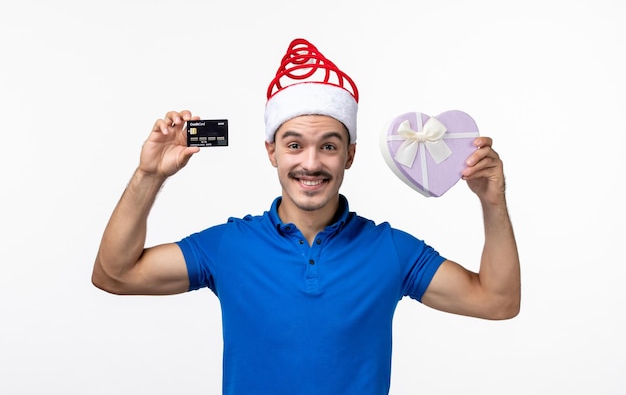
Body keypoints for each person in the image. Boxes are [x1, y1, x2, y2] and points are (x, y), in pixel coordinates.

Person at [92, 38, 520, 395]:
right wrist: (149, 174)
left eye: (329, 146)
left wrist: (492, 201)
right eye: (294, 145)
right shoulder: (230, 246)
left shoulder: (390, 251)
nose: (311, 163)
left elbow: (497, 301)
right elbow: (115, 274)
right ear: (271, 152)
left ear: (349, 155)